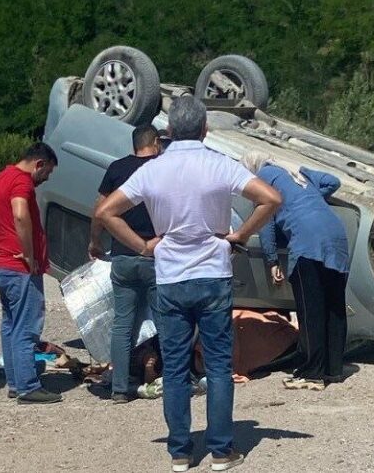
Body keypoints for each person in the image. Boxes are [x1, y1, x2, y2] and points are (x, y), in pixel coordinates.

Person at [97, 96, 281, 473]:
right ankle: (221, 451)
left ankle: (180, 451)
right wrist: (240, 236)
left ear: (168, 131)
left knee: (176, 365)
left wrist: (143, 246)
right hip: (213, 272)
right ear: (205, 129)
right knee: (218, 365)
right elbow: (271, 199)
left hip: (170, 276)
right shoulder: (220, 163)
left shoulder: (153, 170)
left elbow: (105, 211)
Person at [242, 152, 350, 392]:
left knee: (311, 310)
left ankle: (312, 373)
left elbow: (265, 224)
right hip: (336, 235)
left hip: (307, 241)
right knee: (333, 306)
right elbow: (333, 182)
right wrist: (309, 198)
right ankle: (333, 369)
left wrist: (272, 261)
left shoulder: (262, 178)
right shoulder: (298, 173)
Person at [0, 142, 61, 405]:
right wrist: (27, 253)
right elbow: (20, 214)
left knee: (10, 324)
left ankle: (15, 382)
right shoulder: (21, 182)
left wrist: (0, 244)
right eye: (47, 172)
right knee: (27, 326)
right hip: (21, 269)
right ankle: (28, 386)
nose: (46, 178)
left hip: (3, 265)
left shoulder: (0, 178)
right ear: (39, 164)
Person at [87, 124, 161, 403]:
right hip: (155, 255)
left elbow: (100, 211)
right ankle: (173, 378)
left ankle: (119, 388)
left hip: (122, 257)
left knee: (122, 323)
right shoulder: (162, 168)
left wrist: (95, 241)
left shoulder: (116, 169)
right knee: (165, 319)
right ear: (156, 142)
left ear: (134, 145)